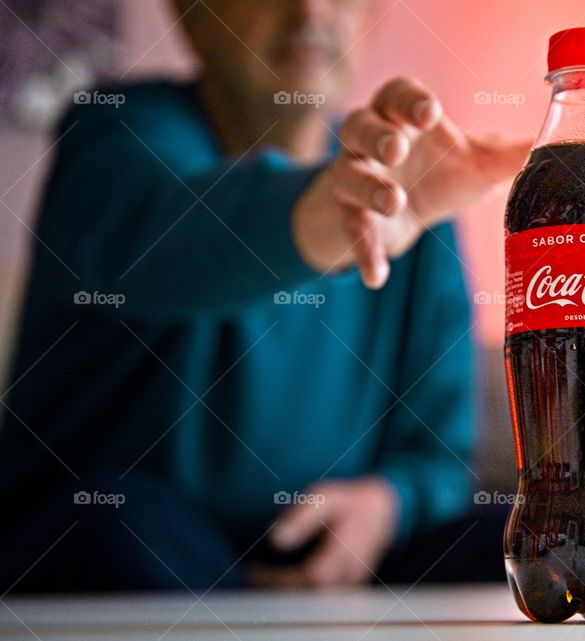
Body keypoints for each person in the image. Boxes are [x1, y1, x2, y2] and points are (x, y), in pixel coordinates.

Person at [0, 0, 528, 592]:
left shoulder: (412, 194)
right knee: (113, 524)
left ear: (371, 21)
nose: (310, 12)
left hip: (323, 555)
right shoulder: (115, 130)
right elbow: (168, 238)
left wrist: (388, 504)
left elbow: (437, 452)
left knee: (528, 544)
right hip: (130, 542)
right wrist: (327, 217)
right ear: (193, 16)